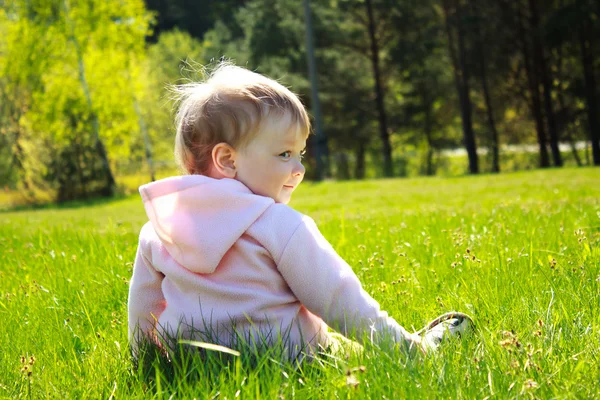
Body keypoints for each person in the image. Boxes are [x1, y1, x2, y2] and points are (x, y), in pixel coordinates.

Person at [127, 62, 473, 360]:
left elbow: (143, 308)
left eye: (300, 154)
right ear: (227, 160)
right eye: (284, 155)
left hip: (196, 363)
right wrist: (403, 350)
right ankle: (423, 348)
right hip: (291, 358)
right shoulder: (277, 224)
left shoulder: (160, 227)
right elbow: (338, 298)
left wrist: (146, 362)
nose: (299, 169)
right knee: (346, 353)